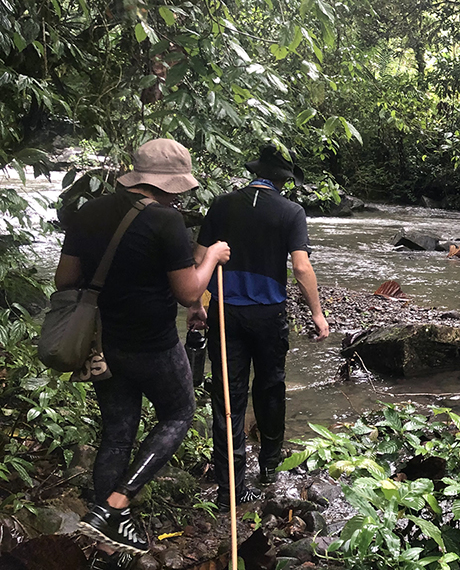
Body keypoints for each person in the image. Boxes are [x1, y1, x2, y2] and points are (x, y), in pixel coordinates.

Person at [54, 139, 230, 567]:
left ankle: (106, 545)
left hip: (102, 344)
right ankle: (115, 503)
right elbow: (188, 289)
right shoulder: (167, 221)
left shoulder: (89, 212)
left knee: (117, 432)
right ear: (171, 184)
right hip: (151, 342)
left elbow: (65, 278)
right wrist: (212, 257)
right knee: (179, 412)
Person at [189, 144, 329, 507]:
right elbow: (300, 268)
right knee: (270, 387)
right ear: (284, 180)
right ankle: (268, 466)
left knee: (227, 398)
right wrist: (317, 313)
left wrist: (195, 305)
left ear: (255, 173)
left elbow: (200, 259)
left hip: (224, 312)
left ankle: (229, 488)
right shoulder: (291, 212)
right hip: (268, 315)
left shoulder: (221, 205)